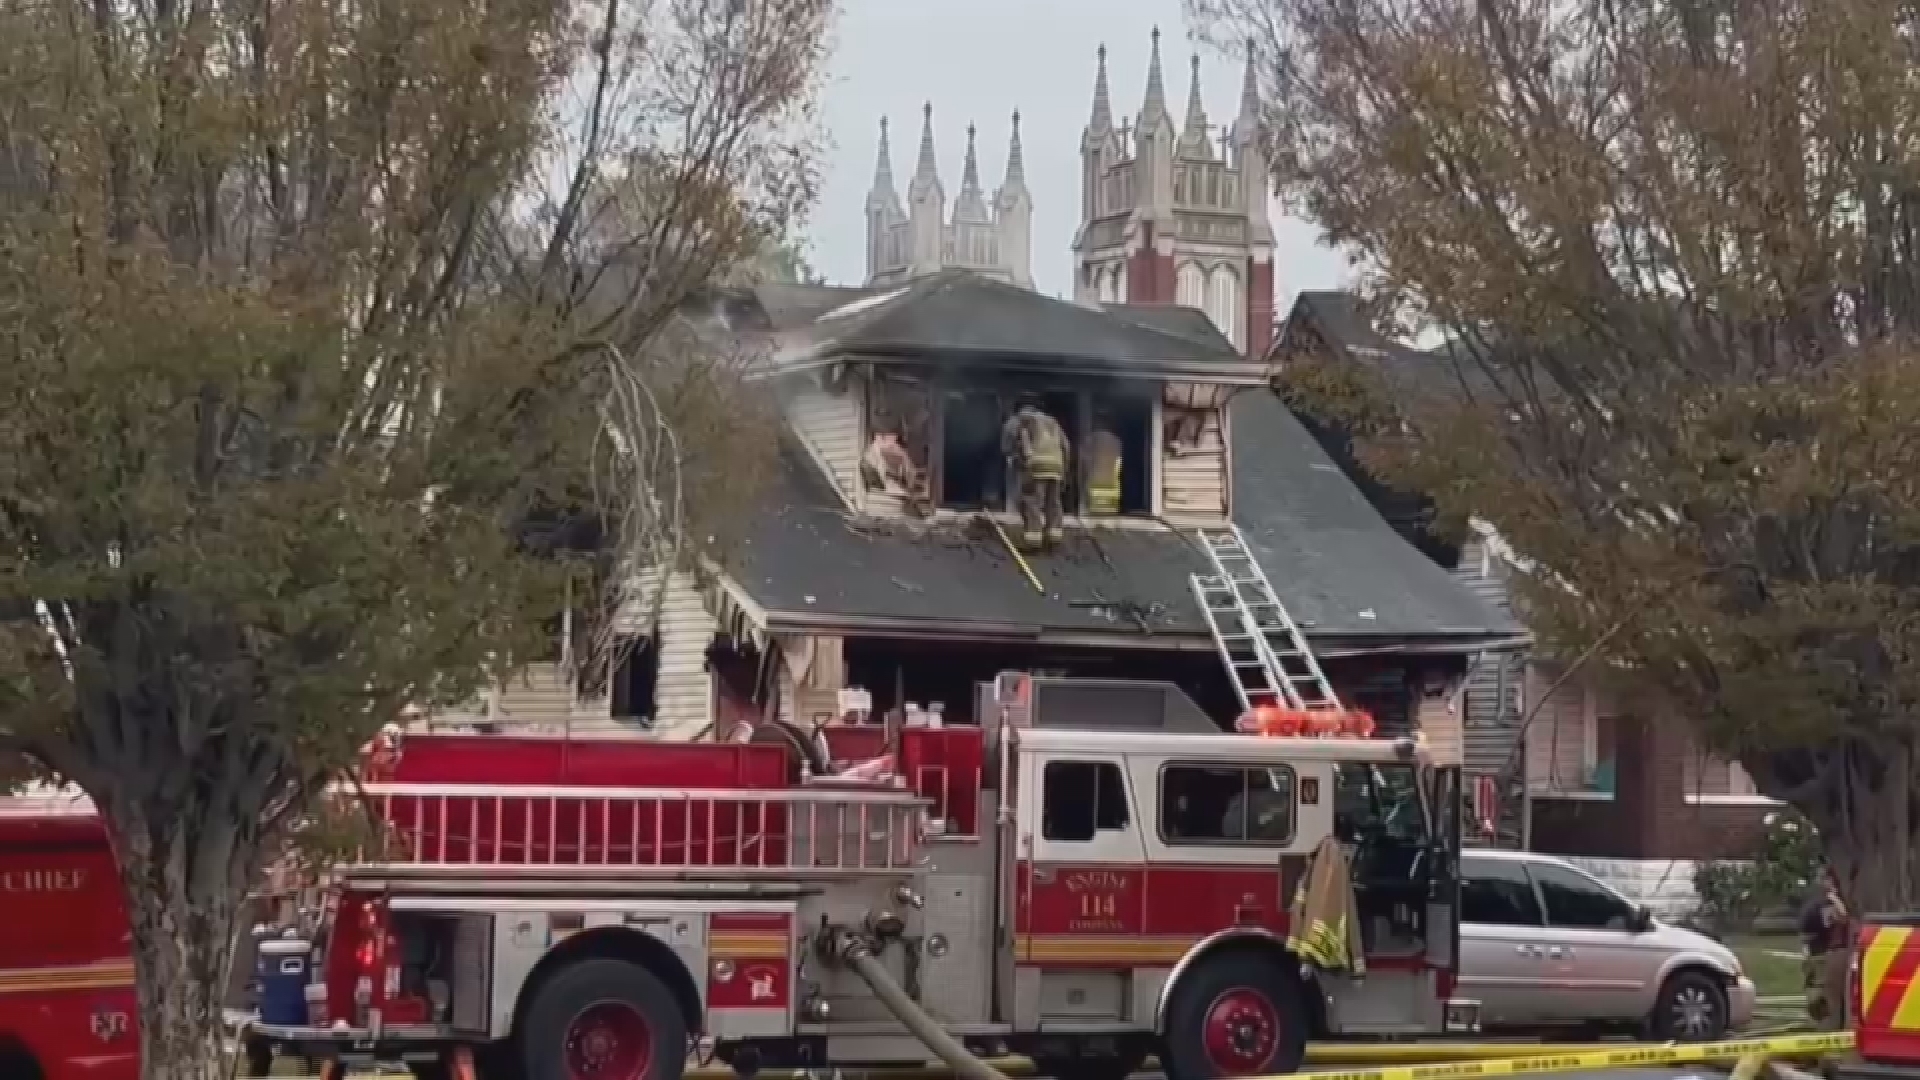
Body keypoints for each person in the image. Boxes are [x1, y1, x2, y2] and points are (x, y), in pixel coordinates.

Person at [1000, 395, 1069, 549]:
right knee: (1053, 500)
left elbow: (1007, 446)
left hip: (1035, 465)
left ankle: (1033, 538)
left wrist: (1015, 458)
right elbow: (1066, 445)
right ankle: (1054, 534)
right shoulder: (1053, 422)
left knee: (1032, 501)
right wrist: (1064, 468)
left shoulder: (1018, 421)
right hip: (1056, 465)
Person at [1800, 866, 1852, 1030]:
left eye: (1828, 879)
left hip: (1835, 953)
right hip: (1824, 953)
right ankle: (1826, 1025)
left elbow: (1843, 918)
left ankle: (1832, 1026)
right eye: (1823, 879)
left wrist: (1834, 899)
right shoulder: (1816, 905)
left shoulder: (1837, 901)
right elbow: (1807, 932)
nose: (1826, 883)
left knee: (1834, 996)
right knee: (1823, 995)